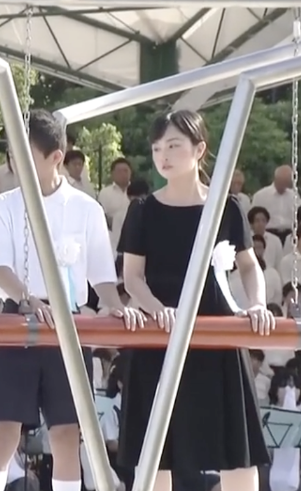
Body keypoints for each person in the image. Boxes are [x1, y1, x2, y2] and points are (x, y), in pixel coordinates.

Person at [0, 109, 143, 492]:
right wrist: (28, 298)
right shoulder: (4, 205)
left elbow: (101, 275)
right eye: (11, 155)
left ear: (55, 157)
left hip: (68, 322)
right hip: (18, 319)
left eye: (25, 155)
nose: (14, 163)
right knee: (4, 429)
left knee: (67, 432)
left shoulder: (87, 208)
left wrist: (114, 304)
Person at [117, 109, 274, 491]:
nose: (163, 156)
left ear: (199, 149)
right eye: (156, 148)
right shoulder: (142, 210)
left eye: (173, 145)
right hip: (159, 338)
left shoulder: (227, 206)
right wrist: (158, 310)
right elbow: (132, 278)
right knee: (156, 456)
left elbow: (249, 265)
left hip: (216, 335)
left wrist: (256, 303)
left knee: (238, 454)